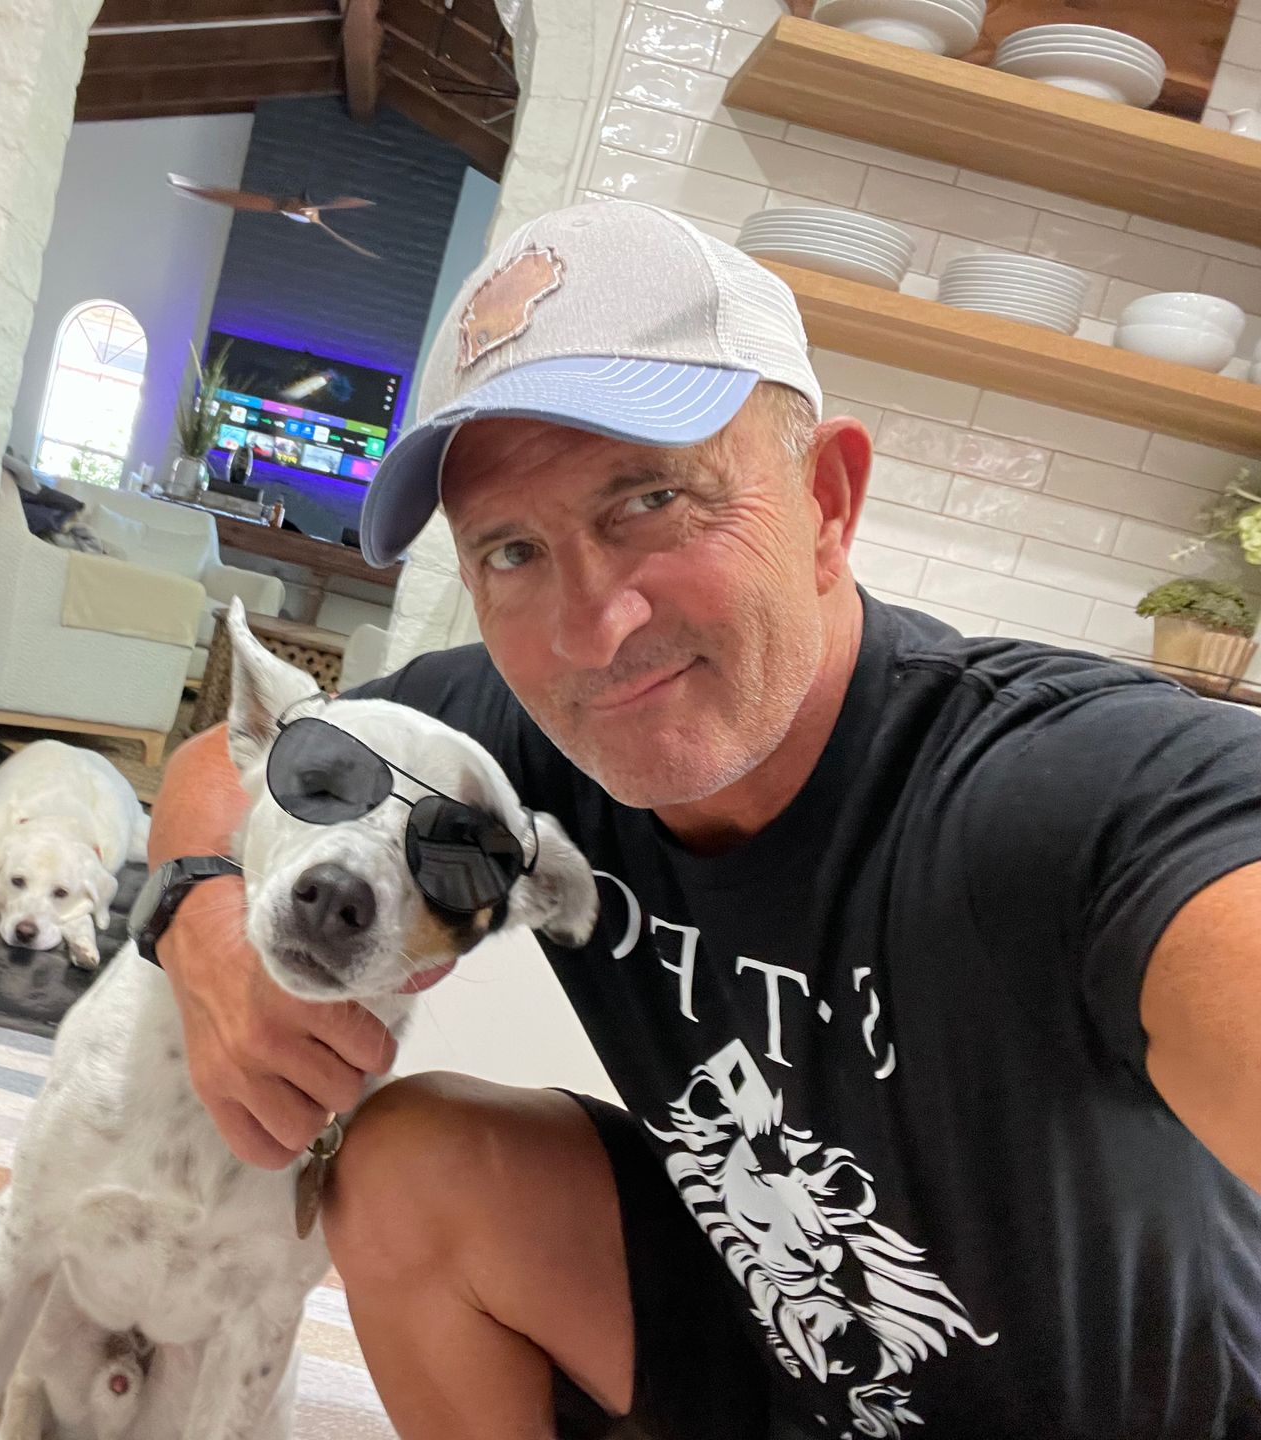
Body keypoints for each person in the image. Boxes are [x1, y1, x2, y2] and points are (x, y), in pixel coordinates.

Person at [141, 200, 1261, 1439]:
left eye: (653, 501)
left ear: (827, 500)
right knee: (410, 1168)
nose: (591, 631)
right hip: (785, 1370)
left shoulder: (1073, 788)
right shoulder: (521, 742)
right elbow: (237, 761)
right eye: (511, 552)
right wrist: (202, 920)